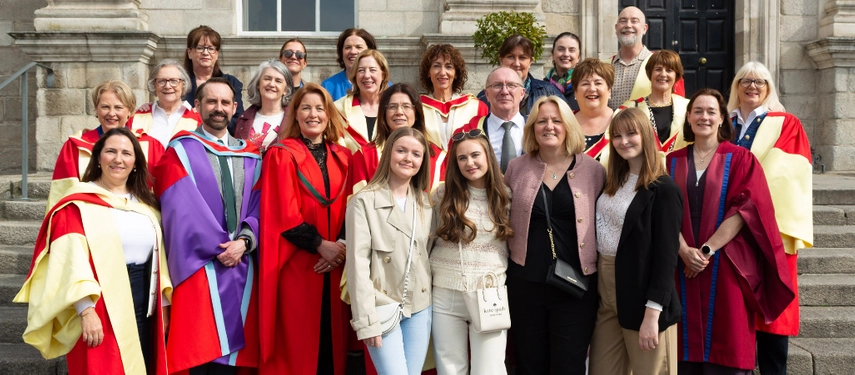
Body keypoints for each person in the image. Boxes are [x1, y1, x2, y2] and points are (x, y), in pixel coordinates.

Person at [16, 127, 171, 374]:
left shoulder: (147, 204)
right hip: (100, 299)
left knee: (143, 364)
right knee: (102, 366)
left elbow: (160, 258)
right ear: (98, 158)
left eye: (126, 153)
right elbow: (70, 261)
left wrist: (163, 307)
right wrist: (86, 311)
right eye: (111, 151)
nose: (118, 159)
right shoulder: (78, 203)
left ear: (136, 162)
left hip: (145, 297)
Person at [666, 89, 795, 374]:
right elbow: (662, 214)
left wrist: (706, 250)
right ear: (688, 118)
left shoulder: (740, 159)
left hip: (724, 267)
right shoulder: (671, 162)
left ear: (723, 118)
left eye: (712, 111)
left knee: (727, 349)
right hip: (680, 265)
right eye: (697, 111)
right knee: (682, 354)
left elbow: (745, 209)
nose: (704, 117)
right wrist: (684, 251)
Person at [154, 77, 261, 374]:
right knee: (199, 353)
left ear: (235, 108)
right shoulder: (180, 152)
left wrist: (243, 242)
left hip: (243, 264)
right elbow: (181, 209)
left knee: (237, 362)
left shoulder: (252, 154)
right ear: (198, 105)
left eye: (225, 102)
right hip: (199, 267)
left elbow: (261, 204)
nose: (218, 108)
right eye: (211, 101)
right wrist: (221, 247)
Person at [504, 95, 605, 373]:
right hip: (526, 283)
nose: (549, 126)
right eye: (542, 121)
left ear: (568, 126)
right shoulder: (516, 168)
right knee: (529, 363)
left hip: (575, 286)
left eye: (557, 120)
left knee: (569, 365)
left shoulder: (594, 171)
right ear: (532, 128)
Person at [726, 62, 813, 375]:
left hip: (764, 229)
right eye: (745, 81)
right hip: (724, 230)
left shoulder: (785, 123)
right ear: (736, 86)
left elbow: (784, 175)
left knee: (771, 308)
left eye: (760, 82)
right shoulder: (724, 122)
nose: (752, 86)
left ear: (769, 87)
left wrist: (740, 207)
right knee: (733, 309)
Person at [258, 82, 351, 374]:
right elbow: (283, 213)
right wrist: (321, 245)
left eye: (320, 108)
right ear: (294, 114)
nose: (314, 114)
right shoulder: (281, 154)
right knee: (299, 348)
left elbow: (355, 208)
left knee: (331, 345)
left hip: (336, 265)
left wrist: (342, 246)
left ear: (329, 114)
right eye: (306, 107)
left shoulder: (343, 156)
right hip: (299, 265)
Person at [588, 108, 682, 374]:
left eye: (631, 133)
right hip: (607, 293)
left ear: (646, 136)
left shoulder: (664, 189)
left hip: (643, 297)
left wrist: (652, 314)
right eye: (616, 136)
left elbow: (666, 256)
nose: (623, 141)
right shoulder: (612, 182)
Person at [346, 127, 434, 375]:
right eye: (402, 150)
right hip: (381, 306)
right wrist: (366, 321)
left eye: (417, 154)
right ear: (388, 153)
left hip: (419, 306)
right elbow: (357, 266)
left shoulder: (426, 203)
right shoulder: (364, 202)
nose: (409, 158)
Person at [430, 129, 513, 375]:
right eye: (462, 158)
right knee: (449, 368)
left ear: (488, 155)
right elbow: (429, 239)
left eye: (475, 155)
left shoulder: (505, 197)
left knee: (490, 369)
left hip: (489, 292)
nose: (470, 163)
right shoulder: (442, 195)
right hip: (446, 294)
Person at [48, 80, 164, 209]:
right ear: (96, 110)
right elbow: (61, 197)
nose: (111, 113)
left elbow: (161, 194)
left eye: (118, 107)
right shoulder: (75, 147)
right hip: (90, 219)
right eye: (105, 107)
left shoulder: (151, 146)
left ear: (130, 111)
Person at [349, 83, 447, 195]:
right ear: (384, 114)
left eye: (406, 106)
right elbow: (356, 203)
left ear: (416, 114)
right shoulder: (365, 156)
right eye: (392, 107)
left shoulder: (437, 158)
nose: (399, 112)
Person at [619, 50, 690, 155]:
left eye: (669, 70)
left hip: (680, 167)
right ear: (649, 73)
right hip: (644, 168)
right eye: (658, 69)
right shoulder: (631, 108)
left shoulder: (689, 107)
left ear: (676, 75)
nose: (663, 74)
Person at [418, 43, 488, 150]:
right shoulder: (417, 107)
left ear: (455, 74)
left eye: (449, 67)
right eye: (436, 66)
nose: (442, 72)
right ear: (428, 72)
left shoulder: (476, 107)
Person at [476, 35, 563, 116]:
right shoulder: (484, 97)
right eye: (510, 57)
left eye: (522, 58)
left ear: (530, 62)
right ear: (501, 60)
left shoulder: (549, 93)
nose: (516, 63)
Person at [461, 67, 526, 173]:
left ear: (522, 93)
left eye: (511, 85)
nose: (504, 91)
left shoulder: (536, 128)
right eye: (497, 85)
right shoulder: (469, 131)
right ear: (487, 94)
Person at [127, 59, 202, 148]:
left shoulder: (198, 118)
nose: (167, 86)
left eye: (174, 81)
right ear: (154, 84)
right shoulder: (138, 117)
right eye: (161, 81)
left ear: (183, 84)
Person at [182, 25, 244, 133]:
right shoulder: (178, 82)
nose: (205, 53)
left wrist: (213, 124)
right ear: (189, 53)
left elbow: (237, 120)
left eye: (211, 48)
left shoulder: (232, 83)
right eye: (200, 48)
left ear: (217, 54)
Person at [335, 49, 390, 153]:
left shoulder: (393, 109)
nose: (367, 75)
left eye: (372, 70)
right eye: (361, 70)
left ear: (383, 75)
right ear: (355, 76)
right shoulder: (338, 108)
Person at [234, 59, 293, 152]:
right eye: (267, 78)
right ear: (258, 84)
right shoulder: (243, 119)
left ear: (286, 90)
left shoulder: (294, 120)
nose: (272, 84)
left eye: (278, 81)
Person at [573, 58, 615, 163]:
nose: (592, 89)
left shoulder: (622, 121)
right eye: (585, 83)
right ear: (575, 93)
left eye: (598, 83)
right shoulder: (564, 123)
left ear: (609, 91)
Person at [323, 28, 378, 101]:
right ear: (341, 53)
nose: (353, 51)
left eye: (359, 47)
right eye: (348, 47)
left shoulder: (384, 87)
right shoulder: (328, 87)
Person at [546, 32, 582, 110]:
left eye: (571, 50)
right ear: (553, 55)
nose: (566, 54)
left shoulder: (584, 86)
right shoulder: (542, 87)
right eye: (561, 49)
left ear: (578, 57)